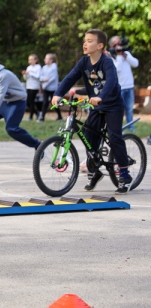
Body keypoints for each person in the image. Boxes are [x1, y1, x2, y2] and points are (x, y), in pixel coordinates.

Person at [52, 29, 133, 194]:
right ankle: (95, 170)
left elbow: (111, 81)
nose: (85, 43)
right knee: (88, 135)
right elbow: (70, 78)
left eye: (90, 41)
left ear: (100, 45)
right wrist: (58, 93)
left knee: (115, 137)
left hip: (112, 105)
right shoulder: (84, 62)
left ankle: (124, 175)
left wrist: (101, 96)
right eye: (85, 40)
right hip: (97, 105)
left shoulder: (107, 62)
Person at [110, 36, 139, 132]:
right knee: (119, 110)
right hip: (120, 88)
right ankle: (119, 128)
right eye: (116, 44)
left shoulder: (126, 53)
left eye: (120, 44)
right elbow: (117, 69)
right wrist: (118, 56)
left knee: (129, 109)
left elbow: (136, 63)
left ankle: (131, 128)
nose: (119, 46)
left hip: (129, 86)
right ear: (112, 46)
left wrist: (125, 56)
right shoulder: (111, 57)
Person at [39, 53, 62, 121]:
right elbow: (41, 76)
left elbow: (53, 78)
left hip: (53, 88)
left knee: (54, 102)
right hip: (46, 88)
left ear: (51, 60)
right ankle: (42, 117)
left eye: (47, 58)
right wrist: (43, 80)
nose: (45, 60)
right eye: (45, 58)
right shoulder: (44, 67)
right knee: (45, 102)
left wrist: (45, 85)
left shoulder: (54, 67)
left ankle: (60, 117)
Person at [22, 54, 42, 121]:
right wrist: (25, 74)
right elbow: (26, 78)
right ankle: (36, 113)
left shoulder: (38, 67)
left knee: (31, 101)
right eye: (29, 59)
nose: (30, 61)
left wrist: (29, 74)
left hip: (34, 86)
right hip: (28, 86)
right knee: (28, 102)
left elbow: (38, 76)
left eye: (31, 59)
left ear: (35, 60)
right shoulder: (29, 67)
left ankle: (30, 116)